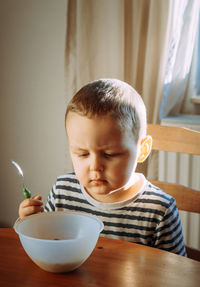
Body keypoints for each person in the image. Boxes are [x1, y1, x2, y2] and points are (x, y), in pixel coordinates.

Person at [19, 78, 187, 256]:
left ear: (142, 149)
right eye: (83, 154)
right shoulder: (64, 191)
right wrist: (31, 225)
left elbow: (175, 272)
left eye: (109, 154)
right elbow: (50, 244)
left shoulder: (159, 210)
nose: (95, 166)